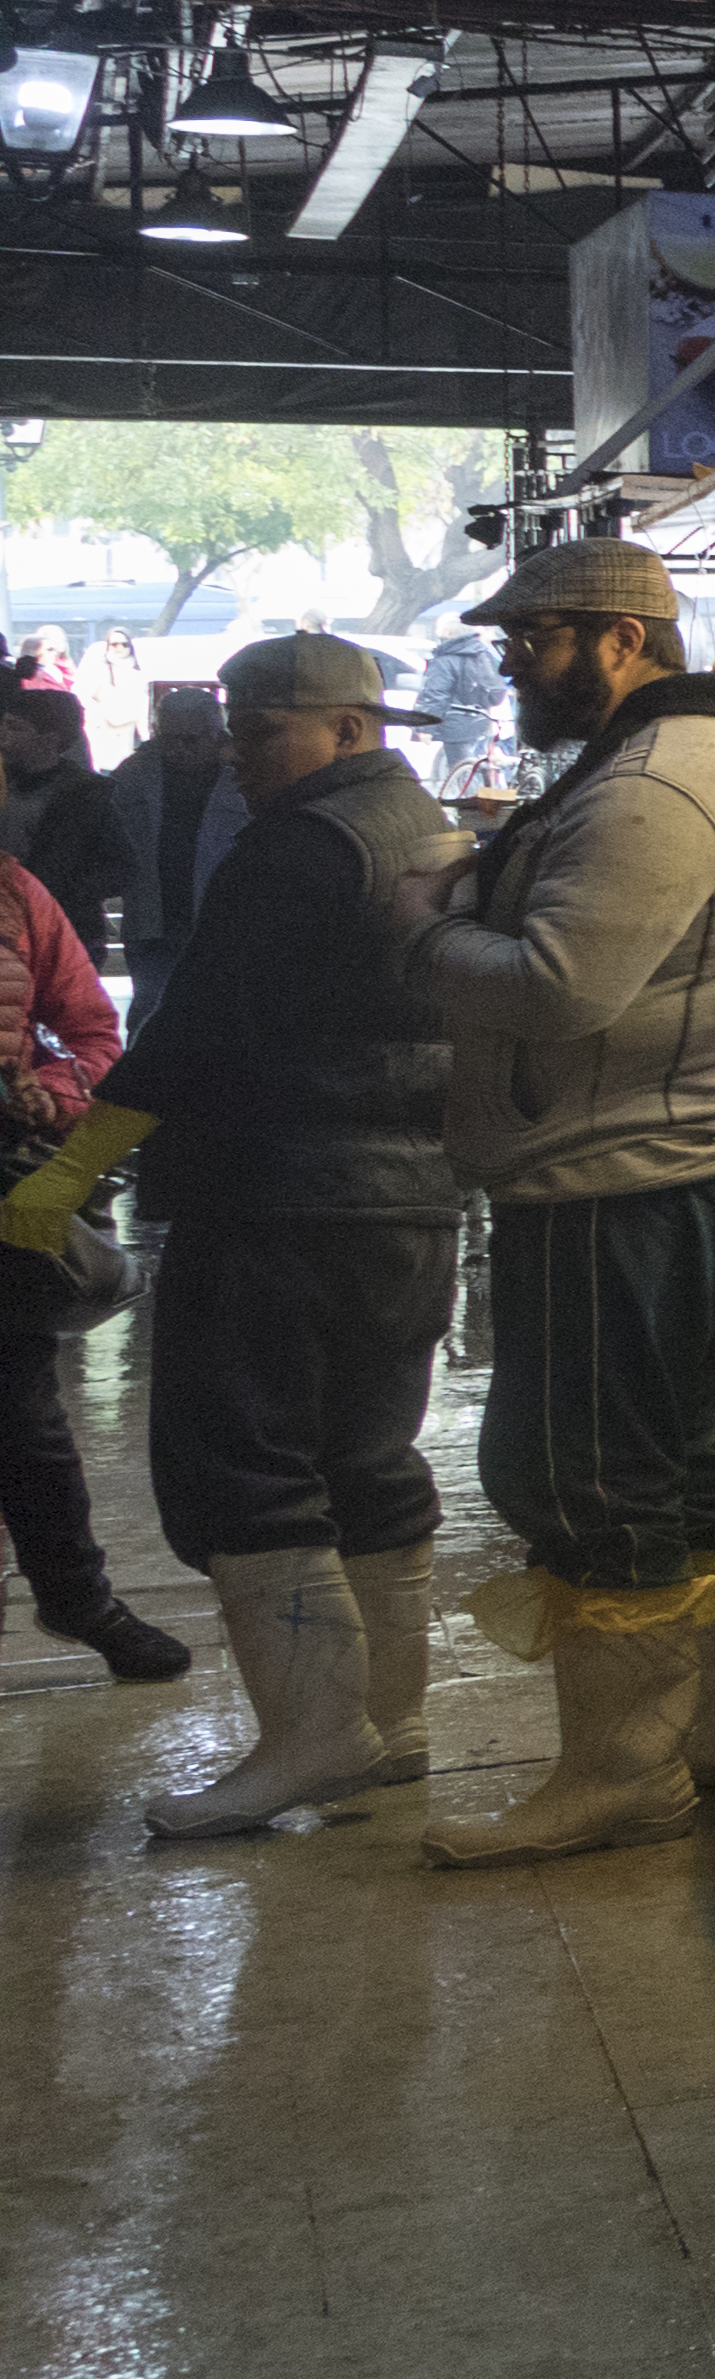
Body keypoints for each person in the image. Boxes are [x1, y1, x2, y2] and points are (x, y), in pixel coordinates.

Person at [394, 538, 715, 1864]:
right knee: (684, 1448)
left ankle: (625, 1774)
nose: (513, 658)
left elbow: (561, 987)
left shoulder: (663, 783)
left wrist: (421, 929)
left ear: (624, 642)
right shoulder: (678, 762)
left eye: (538, 636)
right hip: (671, 1160)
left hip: (621, 1176)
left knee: (586, 1470)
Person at [5, 635, 461, 1829]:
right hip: (408, 1197)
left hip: (276, 1201)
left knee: (245, 1469)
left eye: (266, 732)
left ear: (350, 727)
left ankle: (313, 1739)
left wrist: (64, 1182)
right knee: (369, 1456)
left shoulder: (302, 844)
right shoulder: (426, 827)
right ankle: (390, 1725)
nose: (238, 758)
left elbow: (190, 1037)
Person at [0, 835, 189, 1680]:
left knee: (25, 1417)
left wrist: (56, 1087)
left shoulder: (14, 892)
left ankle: (78, 1600)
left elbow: (90, 1030)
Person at [104, 672, 238, 990]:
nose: (179, 748)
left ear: (217, 734)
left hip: (223, 926)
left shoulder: (244, 777)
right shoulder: (133, 776)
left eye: (191, 739)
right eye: (169, 738)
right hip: (153, 923)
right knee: (151, 1013)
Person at [3, 681, 116, 964]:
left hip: (63, 930)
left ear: (49, 738)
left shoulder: (88, 794)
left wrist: (58, 893)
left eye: (15, 727)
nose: (3, 734)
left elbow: (120, 865)